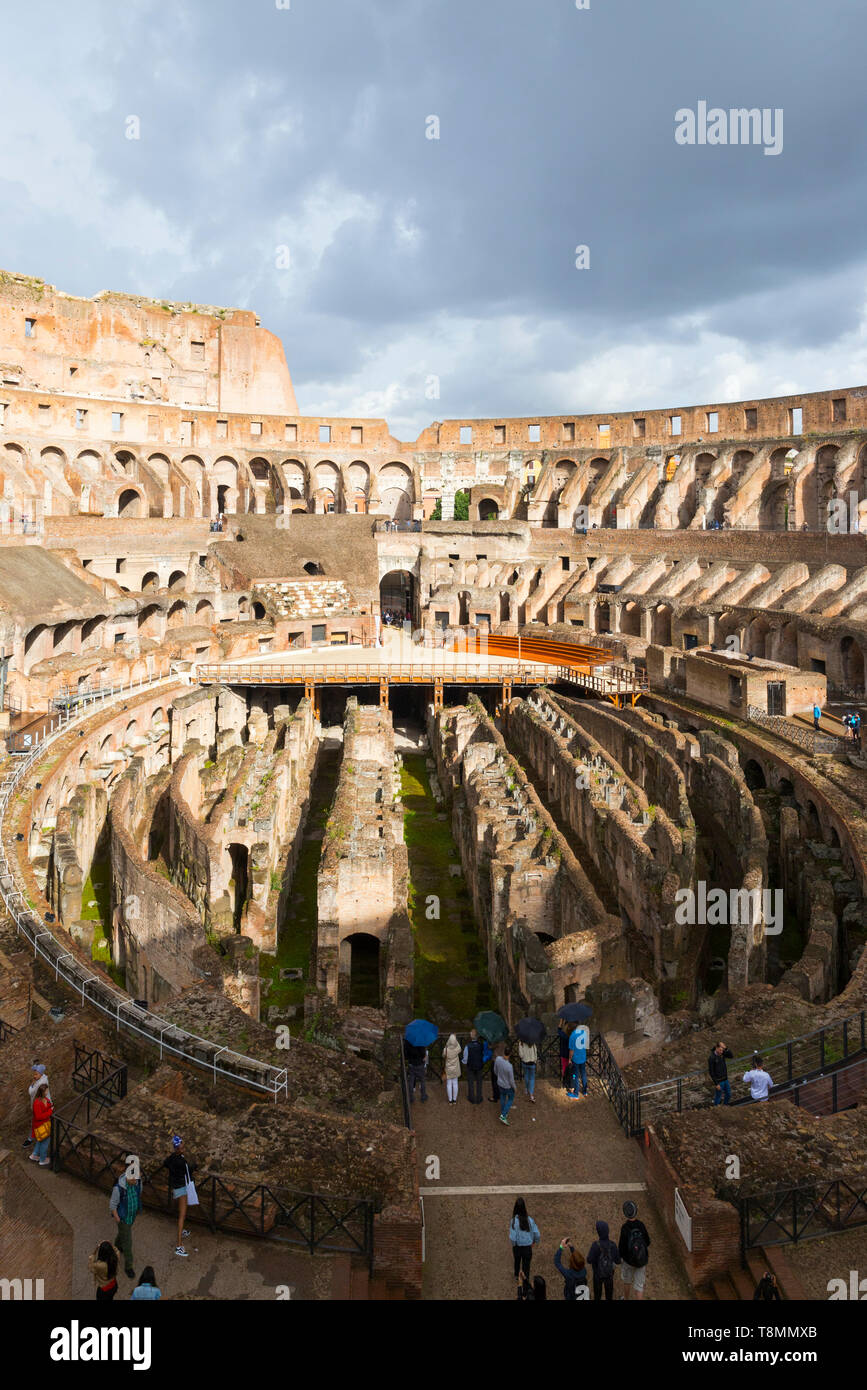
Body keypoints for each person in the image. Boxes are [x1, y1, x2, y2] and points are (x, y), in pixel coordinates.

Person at [162, 1135, 196, 1257]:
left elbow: (165, 1163)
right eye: (181, 1148)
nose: (183, 1149)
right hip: (181, 1189)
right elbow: (189, 1170)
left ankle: (181, 1232)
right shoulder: (181, 1161)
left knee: (181, 1212)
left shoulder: (172, 1158)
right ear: (177, 1149)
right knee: (182, 1215)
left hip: (176, 1187)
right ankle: (179, 1246)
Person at [110, 1167, 143, 1279]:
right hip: (123, 1219)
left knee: (122, 1234)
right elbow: (113, 1205)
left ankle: (116, 1247)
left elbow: (139, 1194)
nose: (135, 1182)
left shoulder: (137, 1183)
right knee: (128, 1244)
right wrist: (118, 1219)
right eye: (133, 1180)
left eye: (137, 1179)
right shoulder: (118, 1189)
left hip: (131, 1217)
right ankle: (128, 1267)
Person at [618, 1200, 651, 1300]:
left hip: (628, 1261)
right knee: (639, 1286)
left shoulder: (625, 1228)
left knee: (627, 1281)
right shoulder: (641, 1225)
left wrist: (622, 1258)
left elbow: (621, 1247)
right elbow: (648, 1242)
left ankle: (626, 1298)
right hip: (641, 1260)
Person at [587, 1219, 620, 1300]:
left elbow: (589, 1260)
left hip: (597, 1275)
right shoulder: (613, 1245)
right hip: (609, 1275)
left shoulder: (595, 1245)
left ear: (598, 1232)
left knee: (597, 1296)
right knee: (609, 1296)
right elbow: (618, 1261)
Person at [509, 1198, 540, 1282]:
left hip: (517, 1247)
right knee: (526, 1266)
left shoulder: (513, 1221)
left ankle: (516, 1275)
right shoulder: (530, 1220)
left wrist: (514, 1244)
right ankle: (525, 1282)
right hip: (527, 1247)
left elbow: (512, 1238)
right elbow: (537, 1233)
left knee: (517, 1261)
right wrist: (534, 1241)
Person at [24, 1062, 51, 1148]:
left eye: (36, 1074)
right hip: (42, 1104)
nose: (34, 1076)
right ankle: (36, 1137)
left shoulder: (40, 1083)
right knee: (38, 1122)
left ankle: (34, 1138)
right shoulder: (42, 1078)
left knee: (38, 1122)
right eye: (34, 1074)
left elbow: (31, 1092)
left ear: (41, 1074)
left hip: (41, 1105)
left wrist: (32, 1083)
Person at [29, 1082, 53, 1166]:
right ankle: (42, 1159)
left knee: (40, 1140)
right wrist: (50, 1112)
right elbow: (39, 1116)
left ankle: (34, 1155)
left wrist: (50, 1106)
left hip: (45, 1123)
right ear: (43, 1092)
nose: (47, 1092)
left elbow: (48, 1107)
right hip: (40, 1125)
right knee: (45, 1142)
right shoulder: (37, 1103)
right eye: (46, 1090)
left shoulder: (45, 1099)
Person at [494, 1045, 516, 1125]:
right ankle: (503, 1115)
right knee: (510, 1099)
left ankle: (503, 1112)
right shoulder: (509, 1066)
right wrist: (514, 1087)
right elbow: (511, 1080)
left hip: (500, 1083)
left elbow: (495, 1070)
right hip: (507, 1086)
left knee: (502, 1097)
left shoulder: (498, 1059)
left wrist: (499, 1077)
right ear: (510, 1054)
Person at [462, 1029, 485, 1105]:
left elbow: (465, 1058)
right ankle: (479, 1098)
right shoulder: (481, 1045)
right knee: (479, 1082)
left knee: (471, 1082)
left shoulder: (467, 1046)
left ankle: (472, 1098)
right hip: (479, 1065)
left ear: (471, 1036)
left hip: (470, 1066)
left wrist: (464, 1063)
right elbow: (483, 1055)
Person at [403, 1037, 428, 1103]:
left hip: (411, 1064)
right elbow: (423, 1054)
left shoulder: (407, 1041)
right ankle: (423, 1096)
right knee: (422, 1080)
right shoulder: (420, 1040)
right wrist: (424, 1056)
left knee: (411, 1081)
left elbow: (405, 1055)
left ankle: (411, 1098)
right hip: (420, 1064)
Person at [708, 1041, 734, 1106]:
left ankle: (725, 1106)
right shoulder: (712, 1058)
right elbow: (711, 1072)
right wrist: (716, 1084)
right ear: (716, 1048)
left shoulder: (722, 1053)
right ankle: (716, 1109)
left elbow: (731, 1056)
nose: (721, 1052)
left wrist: (726, 1048)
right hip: (719, 1081)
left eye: (722, 1050)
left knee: (728, 1094)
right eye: (720, 1050)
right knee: (718, 1096)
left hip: (725, 1079)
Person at [567, 1023, 588, 1099]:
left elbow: (571, 1051)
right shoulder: (583, 1032)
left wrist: (569, 1059)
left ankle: (576, 1094)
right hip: (583, 1057)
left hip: (575, 1059)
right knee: (583, 1074)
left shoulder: (572, 1036)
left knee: (575, 1076)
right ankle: (585, 1091)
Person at [442, 1033, 461, 1104]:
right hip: (456, 1068)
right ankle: (454, 1100)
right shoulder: (457, 1048)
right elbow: (459, 1047)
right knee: (455, 1083)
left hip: (448, 1069)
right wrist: (455, 1039)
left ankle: (450, 1100)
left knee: (449, 1084)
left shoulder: (445, 1049)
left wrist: (447, 1045)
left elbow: (443, 1056)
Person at [517, 1038, 538, 1104]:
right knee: (532, 1078)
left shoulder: (521, 1042)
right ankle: (531, 1095)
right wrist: (535, 1060)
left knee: (526, 1076)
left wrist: (524, 1057)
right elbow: (535, 1052)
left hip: (525, 1062)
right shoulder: (532, 1041)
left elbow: (521, 1055)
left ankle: (526, 1089)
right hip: (532, 1063)